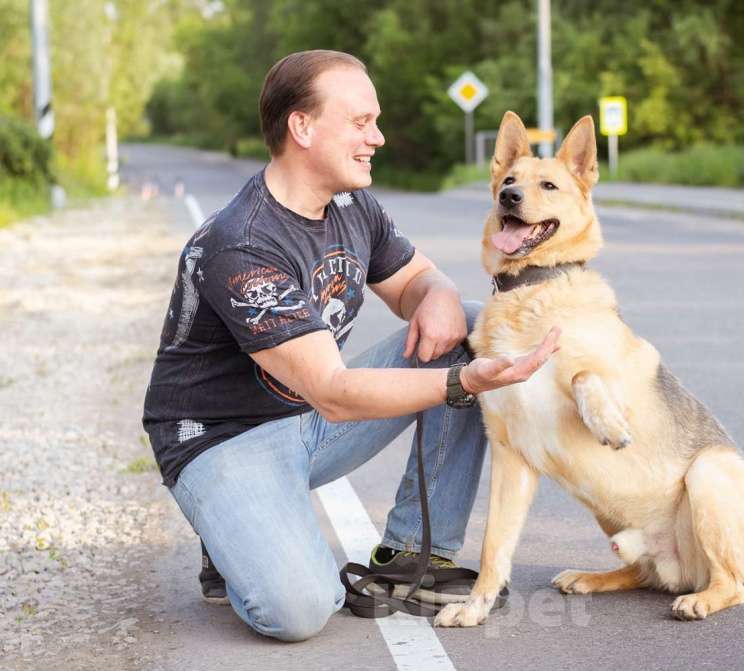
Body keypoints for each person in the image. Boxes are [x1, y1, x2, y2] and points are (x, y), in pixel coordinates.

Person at [142, 50, 559, 642]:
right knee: (300, 611)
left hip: (304, 423)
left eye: (377, 121)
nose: (379, 138)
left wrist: (435, 291)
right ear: (302, 127)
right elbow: (335, 393)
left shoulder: (350, 203)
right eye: (361, 122)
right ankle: (229, 532)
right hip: (222, 444)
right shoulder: (241, 244)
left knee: (467, 326)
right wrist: (463, 383)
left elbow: (416, 280)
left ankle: (415, 555)